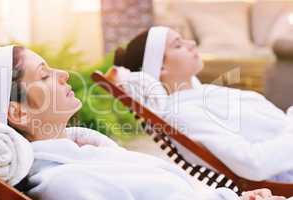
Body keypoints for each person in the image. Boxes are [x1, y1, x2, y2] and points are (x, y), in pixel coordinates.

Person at [0, 45, 286, 200]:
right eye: (44, 76)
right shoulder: (67, 183)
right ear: (18, 113)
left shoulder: (86, 155)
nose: (63, 74)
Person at [108, 26, 293, 183]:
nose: (192, 44)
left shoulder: (201, 96)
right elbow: (253, 164)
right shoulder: (183, 115)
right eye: (178, 45)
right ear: (161, 68)